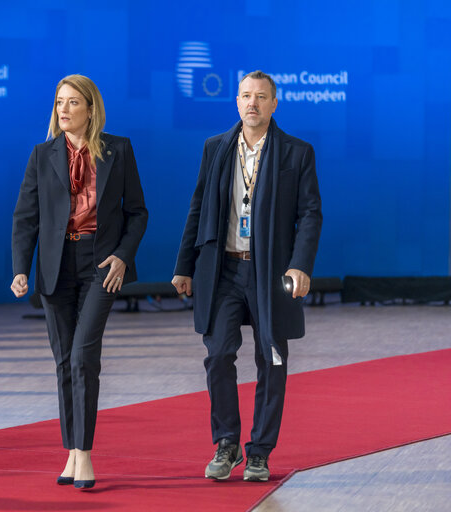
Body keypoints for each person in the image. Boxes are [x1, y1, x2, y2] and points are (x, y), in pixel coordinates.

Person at [172, 70, 322, 482]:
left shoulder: (296, 152)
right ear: (236, 102)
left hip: (271, 272)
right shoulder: (216, 147)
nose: (251, 103)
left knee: (271, 360)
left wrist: (300, 264)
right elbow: (198, 207)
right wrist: (184, 266)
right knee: (218, 353)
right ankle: (227, 442)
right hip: (223, 269)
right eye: (244, 96)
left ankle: (259, 451)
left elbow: (310, 213)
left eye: (260, 96)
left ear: (274, 104)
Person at [11, 74, 147, 489]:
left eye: (72, 102)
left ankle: (84, 455)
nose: (64, 110)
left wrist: (123, 256)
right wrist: (21, 268)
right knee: (63, 360)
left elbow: (138, 212)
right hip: (55, 266)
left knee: (83, 356)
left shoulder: (118, 150)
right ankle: (71, 449)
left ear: (91, 108)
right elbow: (25, 217)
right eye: (58, 102)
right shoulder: (42, 154)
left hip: (100, 265)